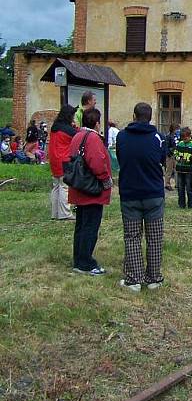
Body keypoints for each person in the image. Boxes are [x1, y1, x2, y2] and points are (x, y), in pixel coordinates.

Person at [116, 102, 167, 292]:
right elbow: (162, 159)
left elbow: (121, 159)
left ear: (134, 115)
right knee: (154, 237)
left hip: (130, 192)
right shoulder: (158, 138)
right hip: (153, 192)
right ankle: (154, 278)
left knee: (132, 237)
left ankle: (134, 279)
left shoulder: (122, 137)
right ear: (151, 116)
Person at [67, 107, 112, 275]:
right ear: (97, 123)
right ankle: (85, 262)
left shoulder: (77, 136)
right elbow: (97, 162)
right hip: (91, 189)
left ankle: (78, 258)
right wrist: (106, 180)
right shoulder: (92, 138)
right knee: (90, 227)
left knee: (81, 225)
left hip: (79, 187)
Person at [48, 104, 78, 220]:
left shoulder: (55, 126)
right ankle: (65, 213)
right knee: (64, 187)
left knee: (56, 186)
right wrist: (75, 127)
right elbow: (77, 135)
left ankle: (55, 213)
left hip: (54, 159)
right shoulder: (69, 130)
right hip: (64, 160)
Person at [174, 127, 192, 208]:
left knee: (189, 187)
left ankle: (191, 204)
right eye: (183, 138)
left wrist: (191, 159)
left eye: (186, 138)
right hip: (180, 169)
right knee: (180, 188)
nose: (184, 140)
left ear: (189, 136)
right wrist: (177, 157)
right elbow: (176, 153)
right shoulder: (180, 144)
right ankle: (181, 204)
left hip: (189, 170)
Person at [163, 123, 177, 190]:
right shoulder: (168, 136)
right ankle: (167, 184)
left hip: (176, 154)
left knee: (177, 169)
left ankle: (178, 184)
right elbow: (166, 146)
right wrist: (169, 153)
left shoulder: (176, 136)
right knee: (169, 170)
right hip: (170, 155)